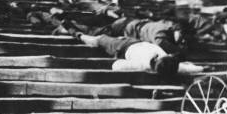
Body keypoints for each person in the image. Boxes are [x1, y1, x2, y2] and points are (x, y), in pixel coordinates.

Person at [72, 32, 206, 77]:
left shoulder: (142, 64)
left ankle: (77, 34)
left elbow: (116, 66)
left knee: (99, 39)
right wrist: (202, 68)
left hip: (123, 47)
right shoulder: (165, 60)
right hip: (137, 42)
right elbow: (184, 68)